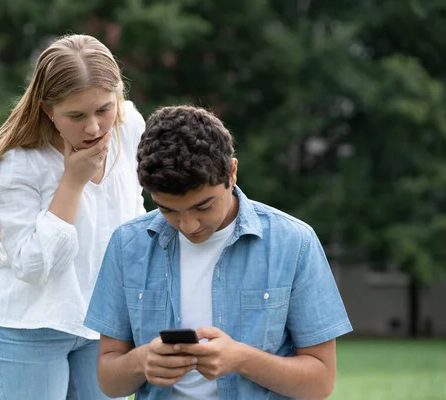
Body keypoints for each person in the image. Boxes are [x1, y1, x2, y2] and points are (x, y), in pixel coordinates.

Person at [84, 105, 353, 399]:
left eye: (203, 206)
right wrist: (141, 361)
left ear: (232, 173)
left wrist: (241, 359)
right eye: (168, 210)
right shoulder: (127, 245)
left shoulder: (294, 243)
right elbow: (108, 382)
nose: (188, 225)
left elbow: (321, 383)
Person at [0, 34, 146, 400]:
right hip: (29, 324)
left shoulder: (129, 128)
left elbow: (133, 219)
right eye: (76, 116)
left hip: (100, 323)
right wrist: (72, 182)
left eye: (103, 109)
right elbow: (32, 267)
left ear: (118, 95)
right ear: (48, 109)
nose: (94, 128)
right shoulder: (16, 161)